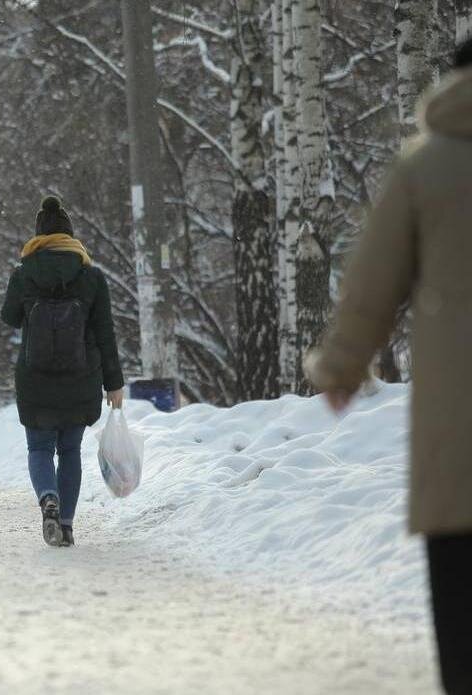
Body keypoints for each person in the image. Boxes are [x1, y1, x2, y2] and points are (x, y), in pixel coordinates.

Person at [307, 39, 472, 695]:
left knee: (461, 597)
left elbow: (372, 283)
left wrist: (341, 368)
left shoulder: (426, 166)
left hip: (458, 429)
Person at [1, 195, 124, 547]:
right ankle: (66, 525)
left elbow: (9, 317)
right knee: (69, 452)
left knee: (39, 449)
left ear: (38, 236)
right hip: (80, 378)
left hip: (35, 378)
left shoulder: (23, 274)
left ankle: (47, 499)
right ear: (71, 237)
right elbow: (105, 332)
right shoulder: (91, 277)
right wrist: (114, 384)